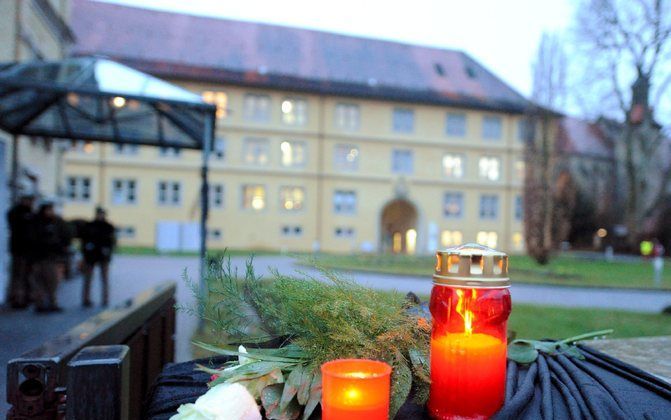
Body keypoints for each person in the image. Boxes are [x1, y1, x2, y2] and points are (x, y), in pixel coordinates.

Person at [29, 201, 64, 313]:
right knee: (41, 282)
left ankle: (51, 303)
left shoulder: (54, 223)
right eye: (49, 210)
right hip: (41, 257)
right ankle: (41, 304)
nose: (51, 212)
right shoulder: (38, 224)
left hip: (50, 257)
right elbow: (34, 241)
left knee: (52, 282)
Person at [81, 207, 116, 307]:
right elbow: (84, 241)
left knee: (105, 279)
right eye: (99, 214)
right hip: (90, 256)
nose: (100, 216)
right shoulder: (89, 226)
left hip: (103, 256)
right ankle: (86, 299)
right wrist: (86, 252)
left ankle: (105, 299)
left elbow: (112, 242)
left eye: (102, 214)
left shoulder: (108, 227)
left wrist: (108, 254)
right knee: (88, 278)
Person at [6, 194, 35, 309]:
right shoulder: (16, 213)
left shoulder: (30, 213)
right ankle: (16, 298)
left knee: (26, 275)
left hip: (27, 250)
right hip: (19, 249)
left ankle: (25, 297)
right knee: (18, 275)